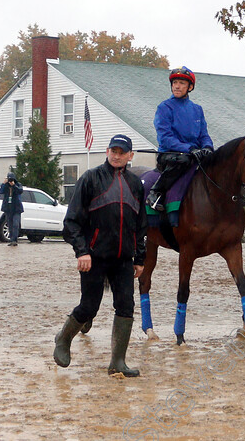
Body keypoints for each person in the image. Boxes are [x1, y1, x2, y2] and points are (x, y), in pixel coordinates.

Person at [53, 134, 147, 378]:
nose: (116, 156)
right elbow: (71, 222)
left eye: (121, 152)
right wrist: (82, 252)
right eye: (113, 151)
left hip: (124, 260)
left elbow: (140, 225)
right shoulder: (90, 179)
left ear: (130, 156)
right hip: (94, 258)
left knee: (126, 306)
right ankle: (63, 338)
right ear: (107, 152)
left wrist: (140, 258)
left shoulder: (136, 184)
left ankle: (118, 362)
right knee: (89, 307)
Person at [146, 66, 214, 211]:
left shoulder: (197, 109)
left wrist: (207, 147)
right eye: (175, 82)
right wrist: (190, 149)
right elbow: (165, 138)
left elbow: (204, 135)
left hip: (194, 154)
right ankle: (156, 193)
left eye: (182, 83)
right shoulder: (164, 107)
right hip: (171, 155)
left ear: (190, 87)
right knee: (184, 160)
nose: (177, 86)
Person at [0, 172, 23, 246]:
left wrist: (14, 185)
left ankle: (15, 240)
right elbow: (0, 191)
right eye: (9, 179)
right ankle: (12, 240)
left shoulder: (18, 185)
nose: (10, 181)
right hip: (8, 208)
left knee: (16, 224)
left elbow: (20, 191)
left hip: (16, 208)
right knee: (10, 224)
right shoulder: (6, 186)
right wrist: (3, 183)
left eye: (11, 179)